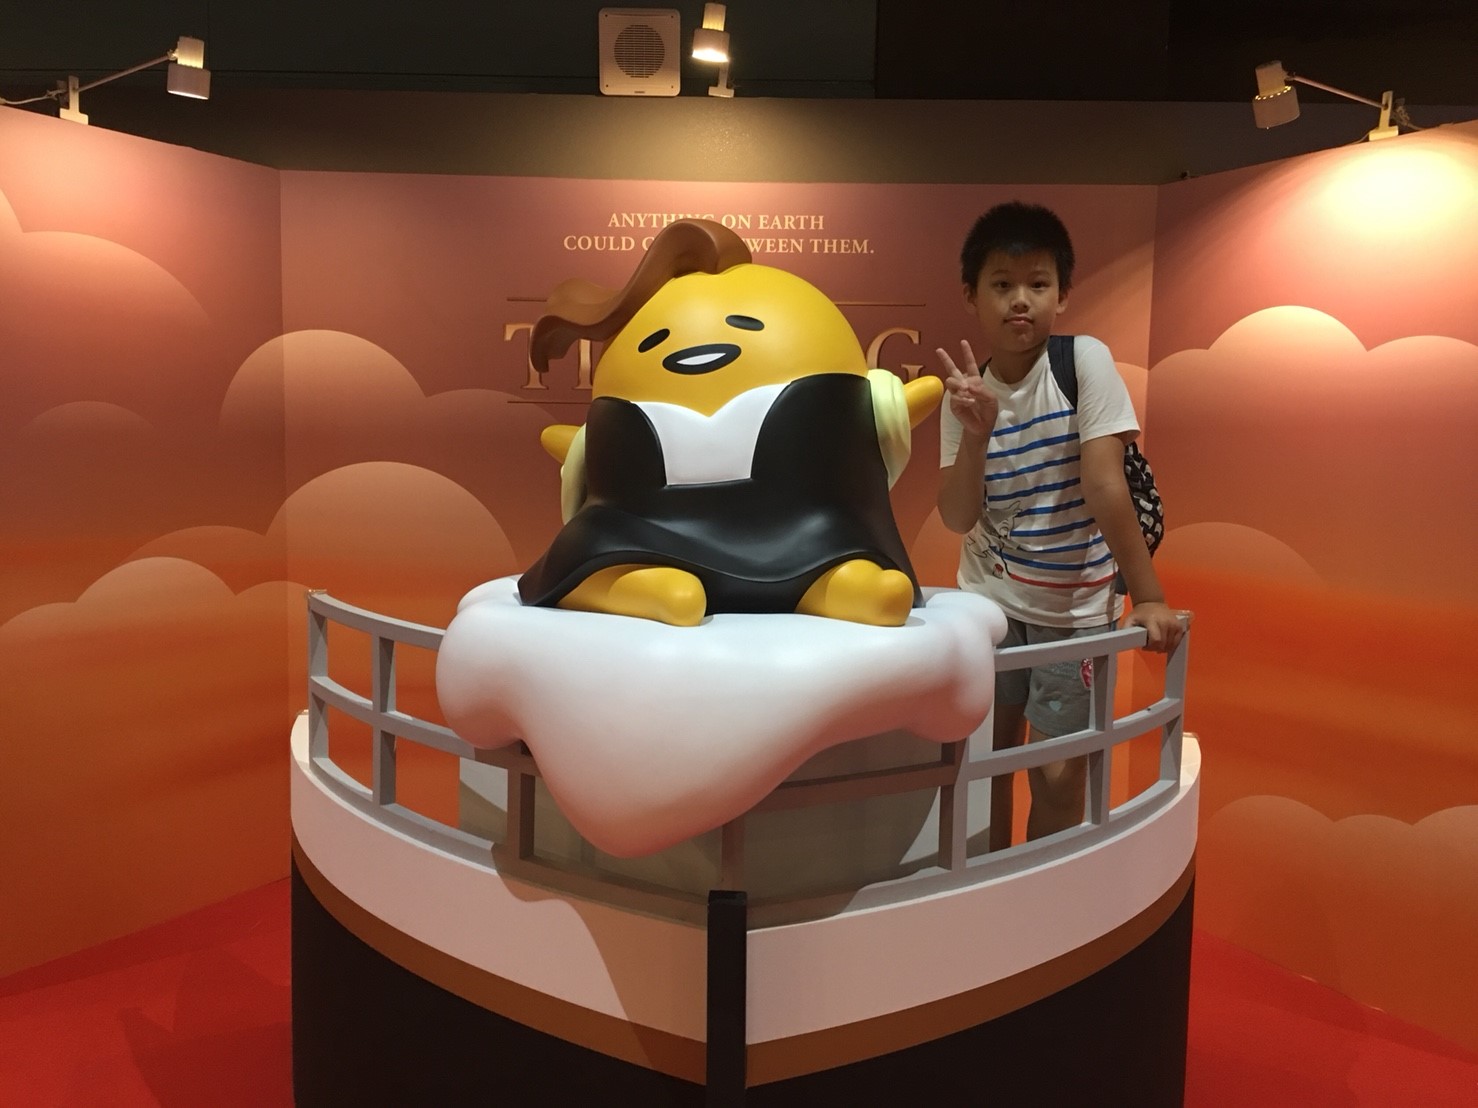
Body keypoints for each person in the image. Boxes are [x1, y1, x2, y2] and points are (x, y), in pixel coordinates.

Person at [935, 201, 1184, 844]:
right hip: (988, 609)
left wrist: (1148, 596)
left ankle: (1043, 888)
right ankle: (986, 887)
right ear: (971, 295)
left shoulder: (1082, 362)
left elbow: (1104, 484)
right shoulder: (965, 394)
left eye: (1038, 284)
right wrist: (976, 433)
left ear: (1062, 294)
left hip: (1072, 613)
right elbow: (958, 516)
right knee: (981, 770)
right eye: (1002, 284)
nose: (1020, 300)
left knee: (1057, 776)